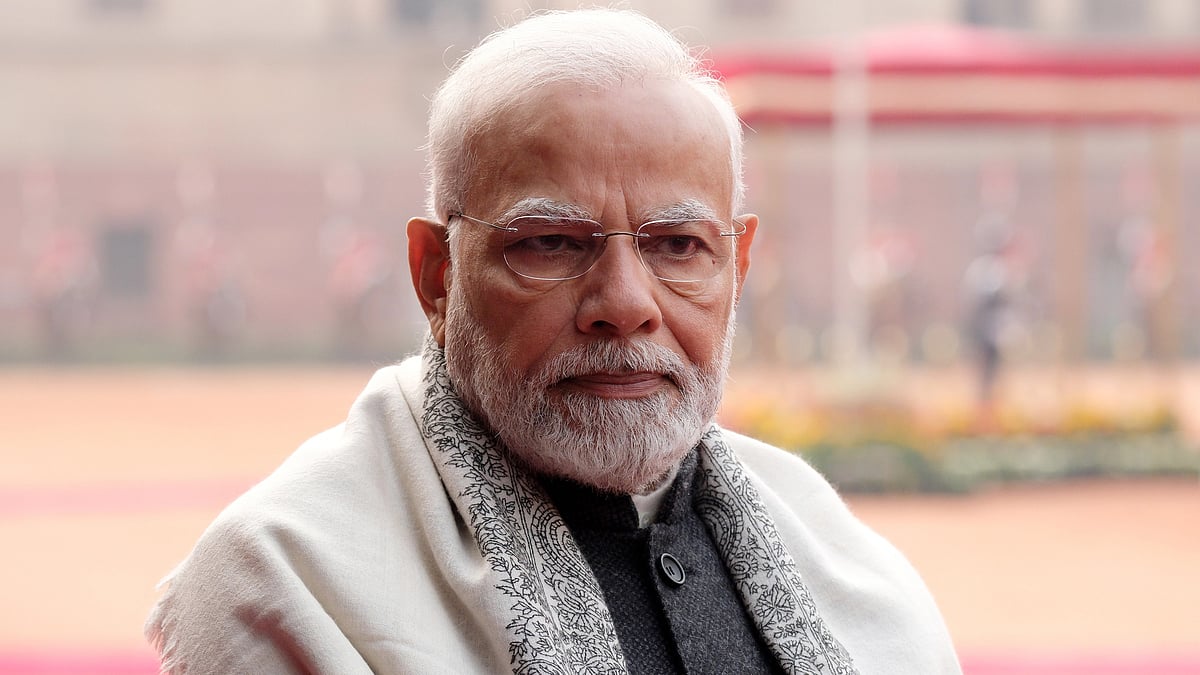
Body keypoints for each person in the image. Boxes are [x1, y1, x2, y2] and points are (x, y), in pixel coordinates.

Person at [146, 9, 960, 674]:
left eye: (678, 246)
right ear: (435, 274)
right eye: (551, 244)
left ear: (737, 267)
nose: (625, 305)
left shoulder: (845, 564)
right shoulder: (295, 578)